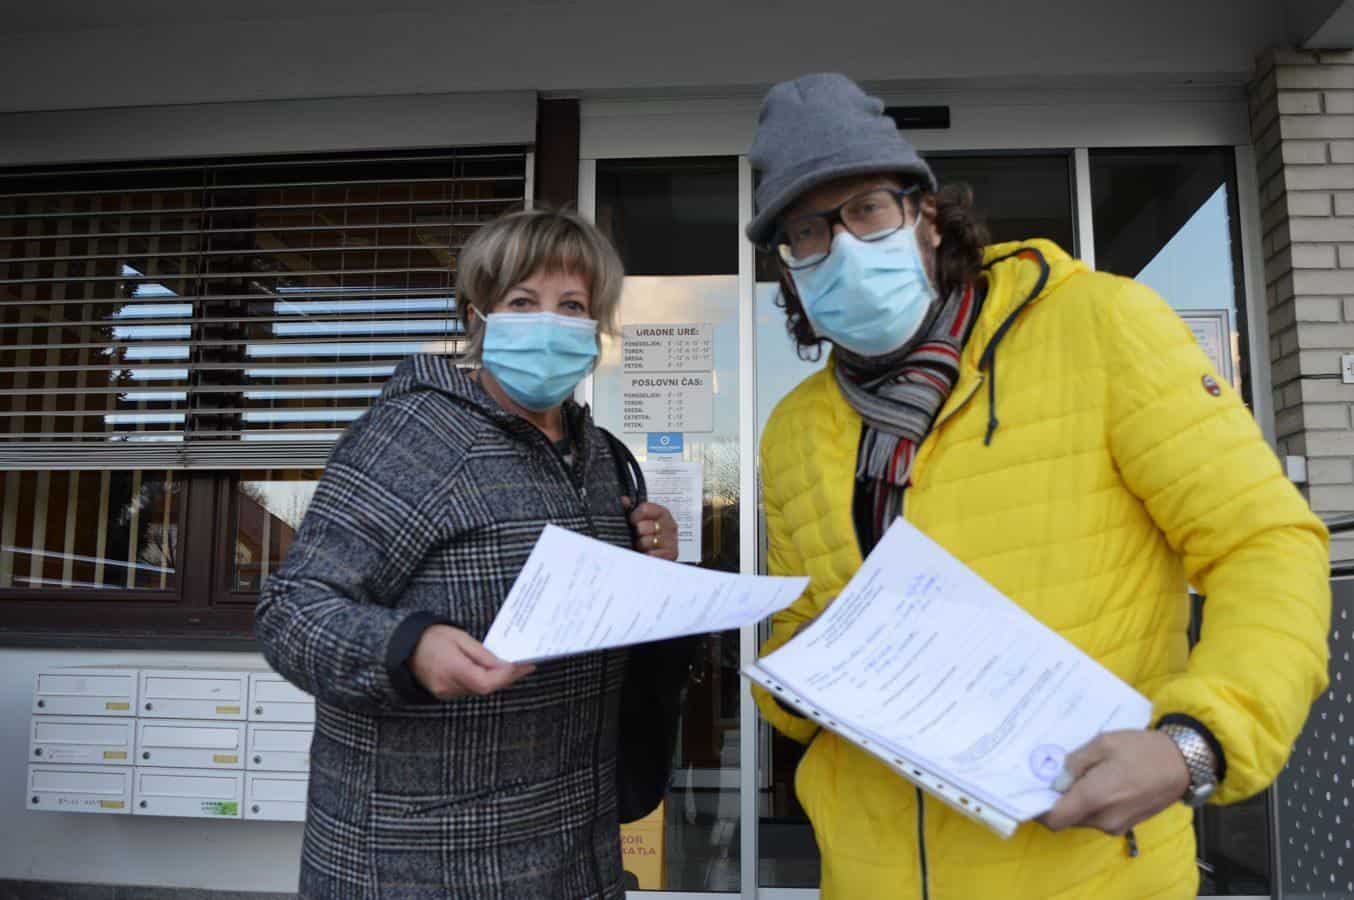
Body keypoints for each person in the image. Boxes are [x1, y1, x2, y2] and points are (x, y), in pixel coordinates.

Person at [747, 73, 1331, 900]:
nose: (840, 247)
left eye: (866, 209)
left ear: (928, 217)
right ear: (788, 267)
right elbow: (802, 628)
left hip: (1088, 869)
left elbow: (1266, 544)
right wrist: (794, 686)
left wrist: (1194, 743)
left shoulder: (1100, 327)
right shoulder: (794, 427)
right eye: (807, 231)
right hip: (868, 876)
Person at [255, 209, 680, 899]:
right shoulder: (415, 434)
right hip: (423, 860)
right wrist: (409, 648)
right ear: (479, 317)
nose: (549, 322)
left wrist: (649, 563)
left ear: (596, 325)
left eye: (572, 305)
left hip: (575, 847)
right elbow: (291, 610)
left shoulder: (597, 453)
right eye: (523, 302)